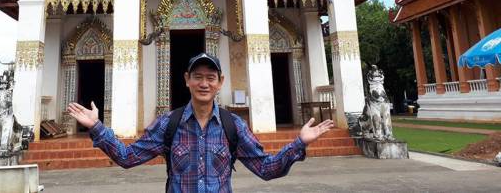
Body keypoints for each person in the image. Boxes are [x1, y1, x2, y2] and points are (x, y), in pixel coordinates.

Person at [68, 53, 334, 192]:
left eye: (210, 77)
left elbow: (266, 168)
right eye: (197, 76)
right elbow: (127, 157)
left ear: (220, 83)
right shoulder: (168, 125)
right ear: (186, 80)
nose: (203, 83)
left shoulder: (233, 127)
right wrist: (96, 127)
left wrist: (299, 143)